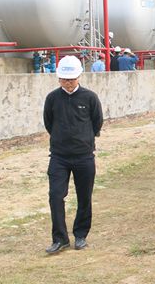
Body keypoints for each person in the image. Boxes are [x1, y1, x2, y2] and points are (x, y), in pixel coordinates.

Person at [43, 55, 103, 254]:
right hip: (59, 157)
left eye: (71, 79)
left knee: (84, 196)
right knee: (55, 196)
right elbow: (48, 122)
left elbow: (97, 122)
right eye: (64, 79)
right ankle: (60, 238)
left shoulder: (90, 98)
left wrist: (85, 139)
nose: (68, 83)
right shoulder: (52, 98)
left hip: (84, 156)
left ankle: (80, 235)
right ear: (59, 78)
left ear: (79, 77)